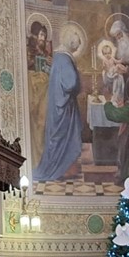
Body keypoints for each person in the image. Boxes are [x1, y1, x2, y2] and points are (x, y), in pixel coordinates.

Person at [33, 26, 84, 181]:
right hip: (64, 106)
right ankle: (62, 169)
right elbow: (70, 83)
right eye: (76, 45)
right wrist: (78, 79)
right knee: (64, 138)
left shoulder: (59, 56)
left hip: (58, 104)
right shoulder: (65, 59)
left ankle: (66, 168)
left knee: (59, 138)